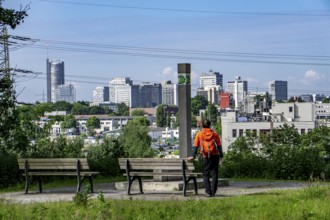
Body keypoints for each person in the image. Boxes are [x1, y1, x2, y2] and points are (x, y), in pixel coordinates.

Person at [188, 119, 223, 197]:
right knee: (214, 174)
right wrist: (221, 155)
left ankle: (208, 192)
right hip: (215, 155)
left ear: (202, 125)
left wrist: (192, 156)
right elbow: (219, 146)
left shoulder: (199, 134)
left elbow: (195, 146)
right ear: (210, 125)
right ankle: (213, 192)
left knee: (205, 174)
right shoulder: (215, 134)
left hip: (206, 156)